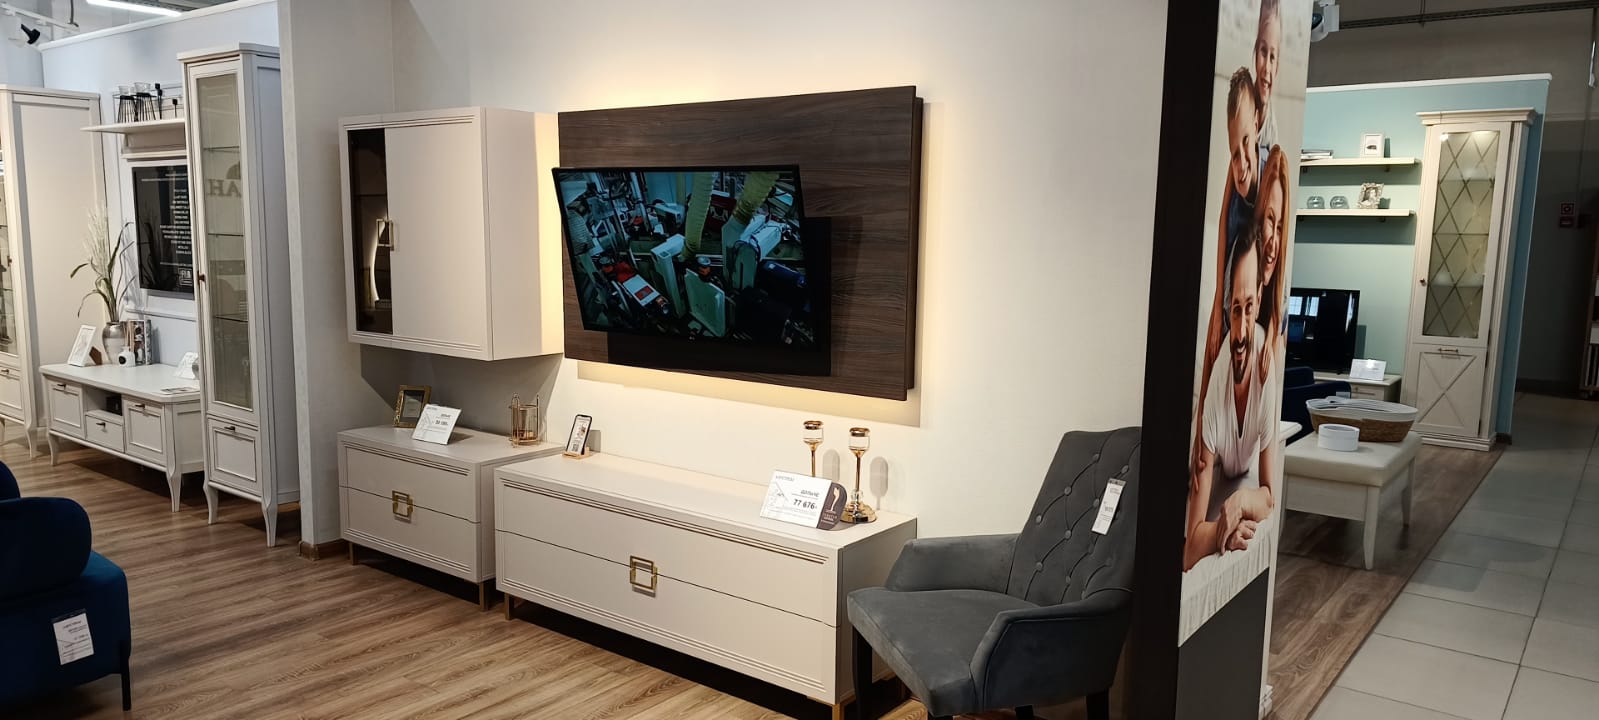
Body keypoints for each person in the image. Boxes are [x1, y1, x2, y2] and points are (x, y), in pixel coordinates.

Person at [1184, 229, 1280, 571]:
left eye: (1249, 308)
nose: (1240, 333)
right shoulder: (1217, 390)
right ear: (1227, 311)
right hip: (1212, 449)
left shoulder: (1266, 366)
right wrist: (1224, 529)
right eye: (1235, 310)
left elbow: (1268, 495)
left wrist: (1241, 501)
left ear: (1259, 300)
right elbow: (1189, 550)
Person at [1254, 145, 1290, 384]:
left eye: (1280, 227)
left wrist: (1270, 339)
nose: (1274, 244)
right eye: (1269, 220)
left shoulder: (1280, 310)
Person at [1254, 0, 1282, 165]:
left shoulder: (1272, 131)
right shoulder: (1243, 107)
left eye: (1272, 57)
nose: (1267, 68)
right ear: (1255, 52)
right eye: (1263, 52)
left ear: (1277, 65)